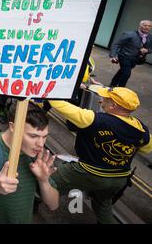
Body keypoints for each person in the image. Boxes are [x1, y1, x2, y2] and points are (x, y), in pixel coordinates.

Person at [48, 87, 151, 223]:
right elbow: (145, 149)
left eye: (105, 99)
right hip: (119, 178)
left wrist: (45, 90)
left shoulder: (95, 119)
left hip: (90, 172)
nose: (101, 100)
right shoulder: (142, 129)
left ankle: (29, 204)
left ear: (113, 105)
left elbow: (59, 105)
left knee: (48, 182)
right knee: (103, 205)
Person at [0, 102, 59, 223]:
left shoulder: (35, 155)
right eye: (33, 136)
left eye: (44, 136)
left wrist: (43, 180)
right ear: (13, 126)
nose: (41, 145)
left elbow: (54, 204)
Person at [109, 20, 152, 87]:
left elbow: (150, 48)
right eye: (145, 25)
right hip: (124, 56)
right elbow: (117, 44)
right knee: (127, 73)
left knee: (122, 71)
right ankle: (121, 89)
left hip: (135, 59)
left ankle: (112, 84)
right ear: (140, 25)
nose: (147, 27)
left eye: (149, 26)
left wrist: (147, 50)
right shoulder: (129, 34)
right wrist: (113, 55)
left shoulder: (150, 37)